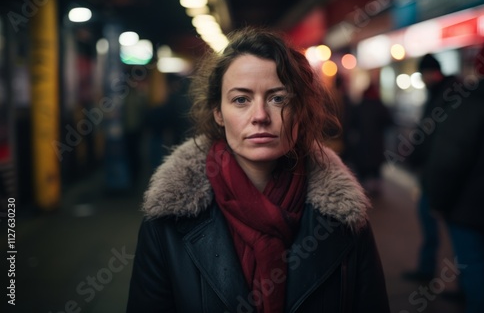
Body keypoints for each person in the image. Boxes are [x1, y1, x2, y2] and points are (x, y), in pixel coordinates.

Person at [126, 27, 390, 313]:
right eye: (241, 100)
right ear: (218, 113)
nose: (260, 116)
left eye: (278, 98)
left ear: (301, 110)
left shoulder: (346, 218)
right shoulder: (168, 219)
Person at [425, 36, 484, 313]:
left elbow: (448, 161)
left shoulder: (472, 103)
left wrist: (438, 202)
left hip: (470, 210)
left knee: (476, 269)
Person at [402, 53, 461, 284]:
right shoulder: (440, 93)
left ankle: (460, 283)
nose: (423, 79)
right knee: (431, 221)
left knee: (454, 228)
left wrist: (418, 156)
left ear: (432, 72)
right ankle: (428, 269)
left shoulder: (448, 95)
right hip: (433, 171)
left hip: (442, 173)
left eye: (424, 74)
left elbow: (437, 136)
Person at [348, 81, 392, 197]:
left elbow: (352, 124)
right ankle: (375, 187)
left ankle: (365, 188)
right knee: (375, 168)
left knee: (363, 167)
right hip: (377, 144)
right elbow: (389, 123)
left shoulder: (359, 106)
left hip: (362, 143)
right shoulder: (381, 106)